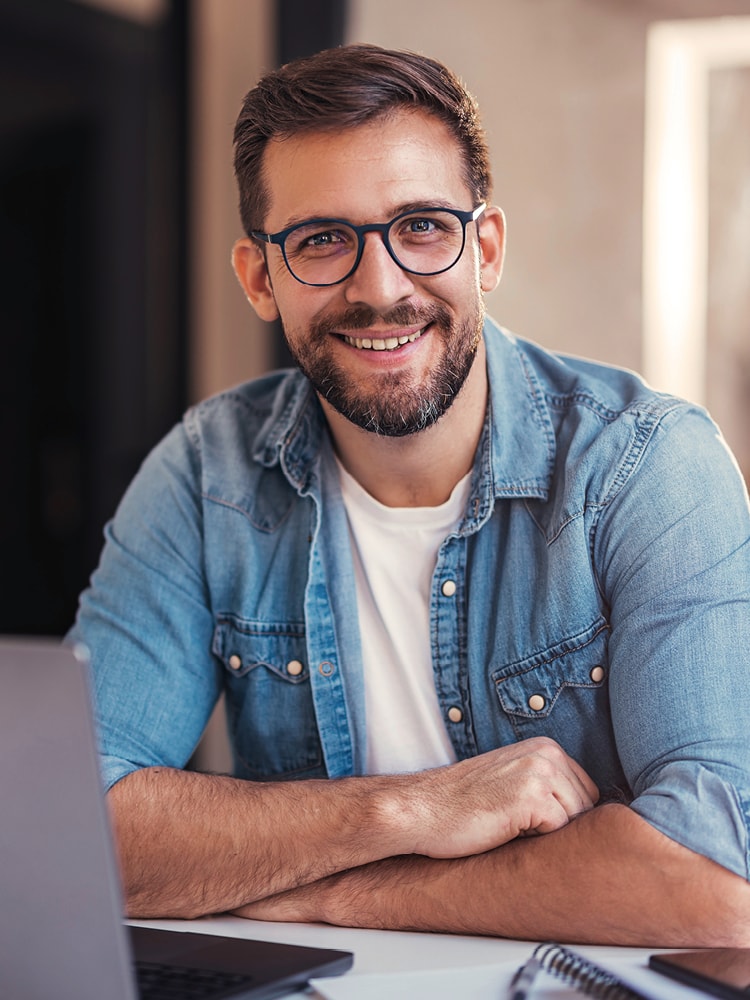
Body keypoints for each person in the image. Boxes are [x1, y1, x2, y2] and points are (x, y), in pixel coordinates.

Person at [70, 43, 750, 945]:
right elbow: (70, 823)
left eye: (423, 226)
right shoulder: (206, 477)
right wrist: (408, 813)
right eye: (322, 241)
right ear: (259, 279)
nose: (380, 287)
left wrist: (330, 891)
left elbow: (715, 877)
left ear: (487, 248)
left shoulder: (647, 466)